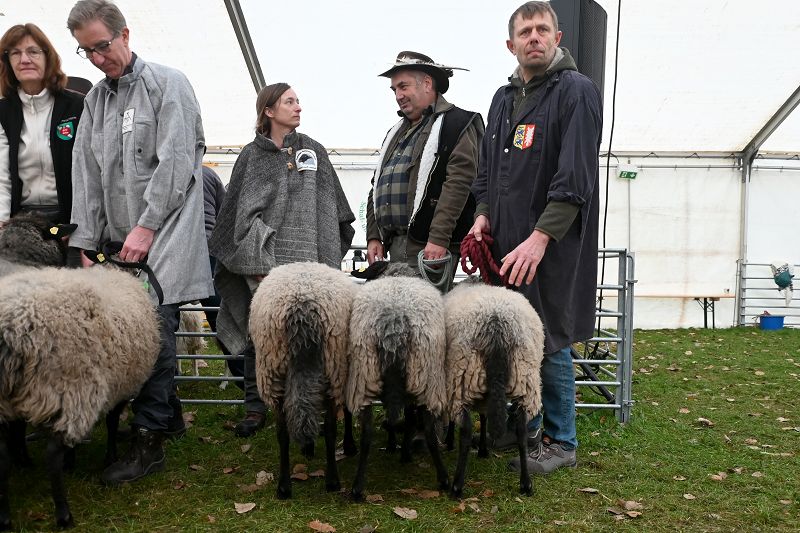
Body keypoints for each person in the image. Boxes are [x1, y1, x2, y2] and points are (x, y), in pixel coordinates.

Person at [67, 0, 213, 484]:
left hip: (164, 233)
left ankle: (148, 440)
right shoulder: (95, 102)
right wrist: (85, 241)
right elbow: (86, 174)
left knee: (154, 332)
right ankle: (169, 417)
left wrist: (147, 226)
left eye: (102, 46)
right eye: (86, 51)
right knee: (127, 332)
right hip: (119, 242)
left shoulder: (168, 84)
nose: (96, 59)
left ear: (125, 35)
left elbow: (177, 162)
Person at [470, 1, 602, 474]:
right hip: (506, 243)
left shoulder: (576, 91)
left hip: (551, 244)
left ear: (557, 38)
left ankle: (561, 440)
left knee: (548, 337)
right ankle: (526, 426)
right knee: (514, 336)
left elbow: (576, 177)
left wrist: (541, 238)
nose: (534, 37)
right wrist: (482, 215)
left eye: (542, 29)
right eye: (525, 31)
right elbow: (487, 170)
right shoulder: (502, 98)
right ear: (511, 44)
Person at [209, 82, 355, 438]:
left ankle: (312, 404)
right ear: (269, 111)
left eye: (298, 101)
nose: (298, 107)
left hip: (311, 261)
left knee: (313, 336)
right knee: (259, 334)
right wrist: (256, 261)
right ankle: (257, 406)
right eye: (289, 102)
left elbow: (331, 209)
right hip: (262, 264)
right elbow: (236, 216)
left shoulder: (314, 151)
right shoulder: (251, 157)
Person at [365, 51, 484, 286]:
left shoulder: (458, 124)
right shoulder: (395, 132)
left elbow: (458, 184)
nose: (398, 95)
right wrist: (373, 235)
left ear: (427, 83)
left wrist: (439, 238)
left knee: (425, 309)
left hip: (429, 247)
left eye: (403, 86)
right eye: (394, 90)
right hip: (394, 246)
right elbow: (376, 185)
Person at [0, 23, 84, 224]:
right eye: (15, 53)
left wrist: (82, 225)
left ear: (48, 57)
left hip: (72, 219)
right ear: (7, 62)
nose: (25, 60)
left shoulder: (78, 106)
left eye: (33, 52)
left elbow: (91, 173)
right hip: (21, 220)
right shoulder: (2, 112)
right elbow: (1, 177)